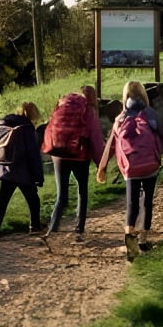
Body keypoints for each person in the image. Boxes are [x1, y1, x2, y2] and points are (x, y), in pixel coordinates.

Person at [97, 81, 163, 260]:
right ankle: (143, 241)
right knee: (147, 203)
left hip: (130, 169)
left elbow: (112, 146)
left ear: (125, 97)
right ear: (143, 95)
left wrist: (103, 167)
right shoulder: (151, 114)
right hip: (150, 166)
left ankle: (131, 246)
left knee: (132, 203)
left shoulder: (120, 119)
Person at [44, 85, 106, 239]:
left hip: (59, 155)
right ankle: (79, 228)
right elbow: (96, 140)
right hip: (79, 155)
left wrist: (50, 150)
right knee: (82, 191)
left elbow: (50, 129)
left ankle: (52, 228)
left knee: (61, 194)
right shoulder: (88, 111)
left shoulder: (61, 104)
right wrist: (101, 164)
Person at [0, 102, 44, 239]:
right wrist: (38, 176)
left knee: (1, 201)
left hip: (4, 168)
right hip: (22, 171)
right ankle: (35, 227)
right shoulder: (27, 128)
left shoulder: (3, 124)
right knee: (33, 199)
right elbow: (33, 154)